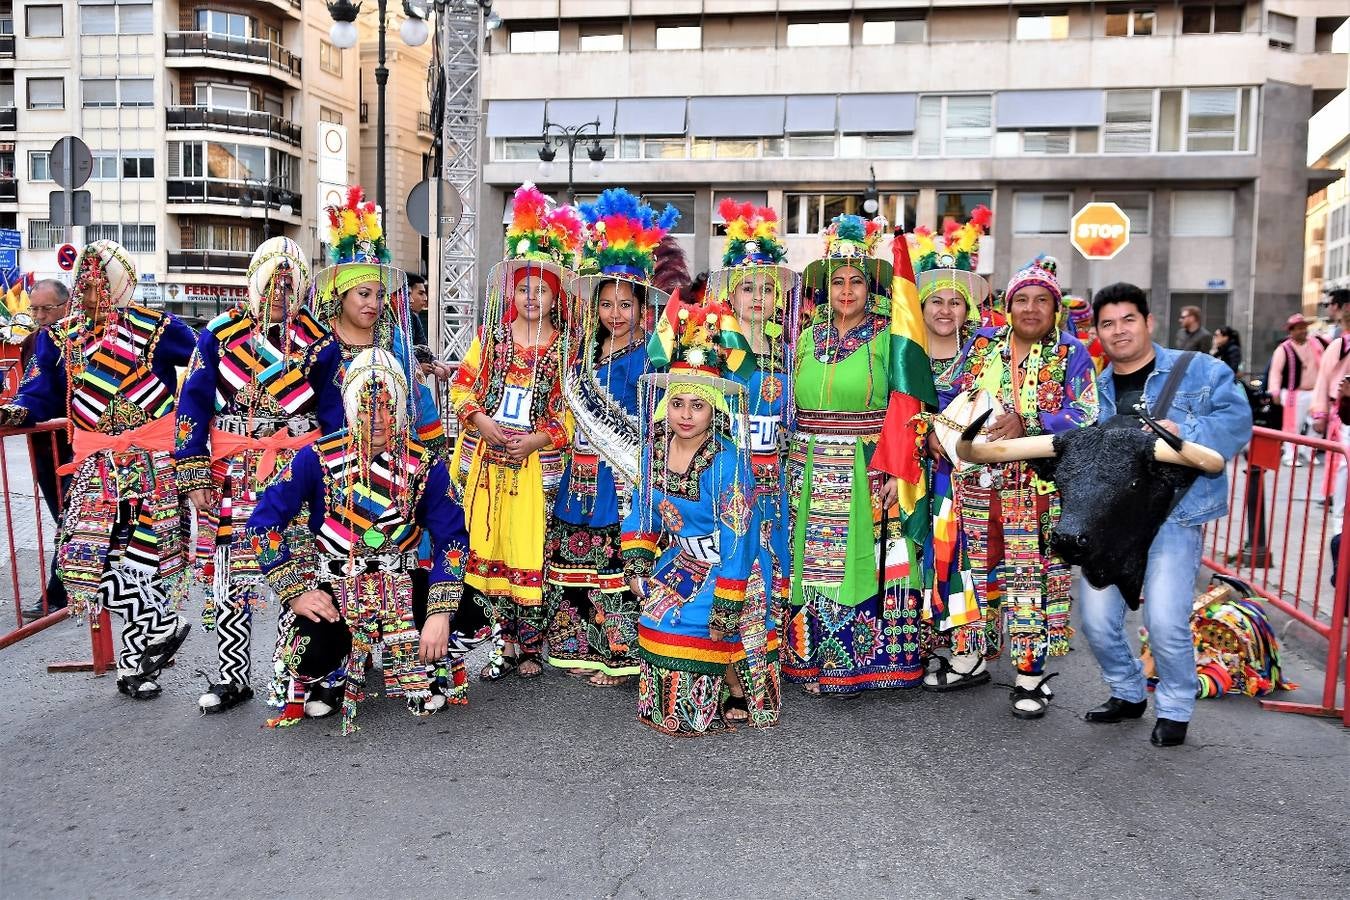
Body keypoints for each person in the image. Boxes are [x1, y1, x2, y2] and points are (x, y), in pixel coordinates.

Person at [0, 241, 196, 699]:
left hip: (152, 463)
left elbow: (205, 371)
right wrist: (17, 411)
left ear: (122, 283)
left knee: (144, 565)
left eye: (102, 282)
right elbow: (39, 390)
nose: (93, 291)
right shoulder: (61, 336)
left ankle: (137, 670)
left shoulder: (160, 327)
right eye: (86, 283)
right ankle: (164, 624)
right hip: (96, 466)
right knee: (77, 565)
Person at [246, 349, 469, 734]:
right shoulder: (315, 458)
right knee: (302, 657)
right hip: (337, 586)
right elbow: (263, 523)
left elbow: (451, 537)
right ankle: (333, 672)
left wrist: (438, 613)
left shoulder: (426, 463)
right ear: (350, 407)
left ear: (401, 407)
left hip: (402, 581)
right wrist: (296, 593)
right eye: (367, 407)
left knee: (478, 615)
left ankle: (426, 664)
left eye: (387, 406)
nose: (378, 419)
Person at [174, 237, 344, 714]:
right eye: (273, 282)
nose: (280, 293)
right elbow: (194, 402)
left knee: (303, 568)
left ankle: (308, 676)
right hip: (231, 471)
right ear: (255, 280)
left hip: (296, 470)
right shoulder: (221, 333)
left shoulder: (319, 341)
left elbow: (333, 412)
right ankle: (233, 679)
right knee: (232, 581)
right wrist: (193, 469)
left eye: (290, 285)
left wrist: (338, 471)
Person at [1078, 282, 1252, 747]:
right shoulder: (1092, 392)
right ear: (1097, 332)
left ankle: (1175, 706)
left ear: (1149, 322)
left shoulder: (1201, 370)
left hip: (1175, 516)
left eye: (1128, 319)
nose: (1119, 331)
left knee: (1166, 621)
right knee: (1094, 621)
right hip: (1112, 522)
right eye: (1108, 323)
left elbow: (1238, 425)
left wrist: (1186, 430)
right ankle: (1128, 690)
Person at [942, 255, 1099, 718]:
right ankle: (970, 656)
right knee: (974, 571)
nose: (1031, 308)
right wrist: (940, 428)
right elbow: (954, 394)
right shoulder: (984, 343)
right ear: (1009, 307)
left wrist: (1028, 421)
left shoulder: (1073, 353)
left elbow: (1088, 414)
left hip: (1036, 486)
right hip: (976, 483)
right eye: (1022, 300)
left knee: (1030, 578)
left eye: (1042, 300)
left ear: (1055, 309)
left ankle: (1031, 674)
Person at [783, 214, 926, 696]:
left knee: (855, 563)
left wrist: (894, 467)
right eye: (838, 281)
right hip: (804, 464)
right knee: (807, 561)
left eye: (857, 281)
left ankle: (852, 665)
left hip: (864, 464)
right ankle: (805, 662)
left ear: (872, 287)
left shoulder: (889, 337)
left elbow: (906, 405)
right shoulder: (805, 337)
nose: (846, 290)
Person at [622, 299, 777, 734]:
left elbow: (739, 539)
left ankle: (738, 689)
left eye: (698, 406)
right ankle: (684, 701)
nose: (685, 415)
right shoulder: (653, 455)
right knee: (655, 612)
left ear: (714, 412)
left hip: (734, 566)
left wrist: (730, 595)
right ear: (664, 407)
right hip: (683, 561)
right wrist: (637, 565)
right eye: (678, 404)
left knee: (702, 621)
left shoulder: (725, 463)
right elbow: (642, 513)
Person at [449, 183, 582, 680]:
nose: (531, 297)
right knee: (490, 544)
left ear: (555, 297)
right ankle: (499, 644)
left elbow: (571, 409)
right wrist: (482, 423)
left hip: (537, 462)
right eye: (523, 288)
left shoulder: (566, 348)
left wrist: (538, 439)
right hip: (488, 459)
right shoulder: (492, 339)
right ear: (512, 292)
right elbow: (463, 390)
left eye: (541, 289)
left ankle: (530, 645)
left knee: (534, 547)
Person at [545, 188, 675, 685]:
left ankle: (623, 659)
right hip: (579, 469)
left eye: (625, 304)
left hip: (623, 471)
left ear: (643, 309)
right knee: (580, 560)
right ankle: (583, 648)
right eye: (607, 304)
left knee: (620, 566)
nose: (615, 313)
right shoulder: (581, 354)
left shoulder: (652, 357)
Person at [708, 198, 799, 667]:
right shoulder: (717, 344)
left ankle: (765, 650)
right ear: (733, 295)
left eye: (767, 288)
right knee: (733, 555)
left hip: (775, 475)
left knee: (772, 556)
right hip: (729, 470)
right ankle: (726, 651)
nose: (758, 297)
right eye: (747, 289)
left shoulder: (789, 349)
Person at [906, 211, 990, 689]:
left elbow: (991, 406)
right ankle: (935, 643)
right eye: (934, 301)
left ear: (966, 310)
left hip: (966, 480)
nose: (943, 311)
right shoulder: (907, 355)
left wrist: (950, 435)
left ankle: (970, 654)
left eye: (953, 303)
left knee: (964, 559)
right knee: (922, 556)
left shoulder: (982, 354)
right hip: (917, 477)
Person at [18, 278, 73, 620]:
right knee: (64, 518)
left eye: (46, 308)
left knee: (74, 518)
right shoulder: (32, 342)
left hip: (78, 442)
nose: (39, 315)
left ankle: (58, 591)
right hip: (45, 444)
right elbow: (32, 390)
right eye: (34, 308)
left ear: (66, 306)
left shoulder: (81, 339)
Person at [1311, 297, 1350, 531]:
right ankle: (1339, 522)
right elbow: (1324, 380)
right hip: (1344, 412)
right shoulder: (1340, 345)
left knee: (1342, 465)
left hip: (1342, 411)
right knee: (1342, 465)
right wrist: (1320, 413)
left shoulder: (1338, 345)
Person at [1266, 313, 1324, 466]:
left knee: (1317, 422)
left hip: (1315, 392)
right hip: (1294, 393)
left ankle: (1309, 451)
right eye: (1298, 328)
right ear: (1291, 331)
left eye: (1304, 328)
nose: (1302, 331)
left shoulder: (1315, 344)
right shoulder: (1283, 348)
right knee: (1293, 425)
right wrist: (1275, 391)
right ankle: (1290, 454)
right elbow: (1275, 371)